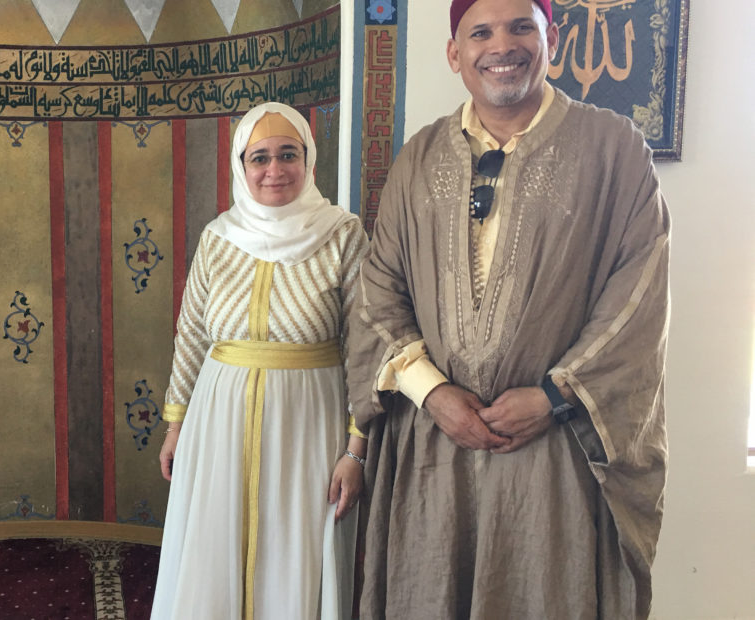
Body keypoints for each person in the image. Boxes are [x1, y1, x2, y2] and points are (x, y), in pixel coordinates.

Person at [346, 0, 670, 618]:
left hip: (555, 451)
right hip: (434, 445)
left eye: (522, 26)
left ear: (552, 39)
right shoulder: (418, 157)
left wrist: (552, 396)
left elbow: (639, 294)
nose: (504, 45)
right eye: (482, 32)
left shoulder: (613, 149)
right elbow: (378, 288)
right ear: (454, 53)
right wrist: (434, 393)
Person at [151, 102, 370, 619]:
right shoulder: (218, 238)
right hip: (216, 421)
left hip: (309, 425)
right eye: (260, 157)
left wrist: (357, 448)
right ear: (240, 166)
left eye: (288, 154)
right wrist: (176, 425)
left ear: (309, 160)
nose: (274, 170)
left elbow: (368, 347)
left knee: (294, 551)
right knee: (214, 543)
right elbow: (192, 335)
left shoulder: (342, 234)